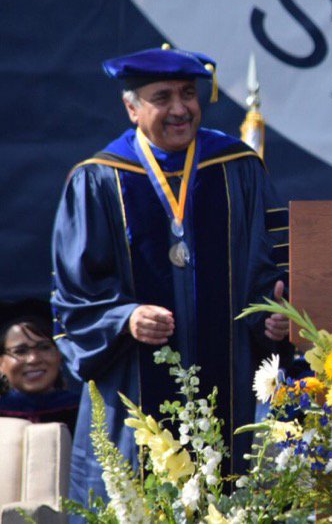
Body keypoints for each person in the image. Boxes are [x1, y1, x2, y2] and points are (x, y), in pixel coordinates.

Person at [51, 46, 291, 505]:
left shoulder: (238, 168)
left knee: (234, 497)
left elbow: (269, 267)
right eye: (162, 97)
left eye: (188, 94)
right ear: (132, 108)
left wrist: (272, 317)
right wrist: (125, 317)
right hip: (134, 389)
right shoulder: (98, 180)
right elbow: (74, 297)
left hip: (230, 387)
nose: (180, 109)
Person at [0, 298, 78, 430]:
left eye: (44, 347)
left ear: (59, 354)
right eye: (20, 351)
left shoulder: (87, 413)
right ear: (1, 363)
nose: (33, 359)